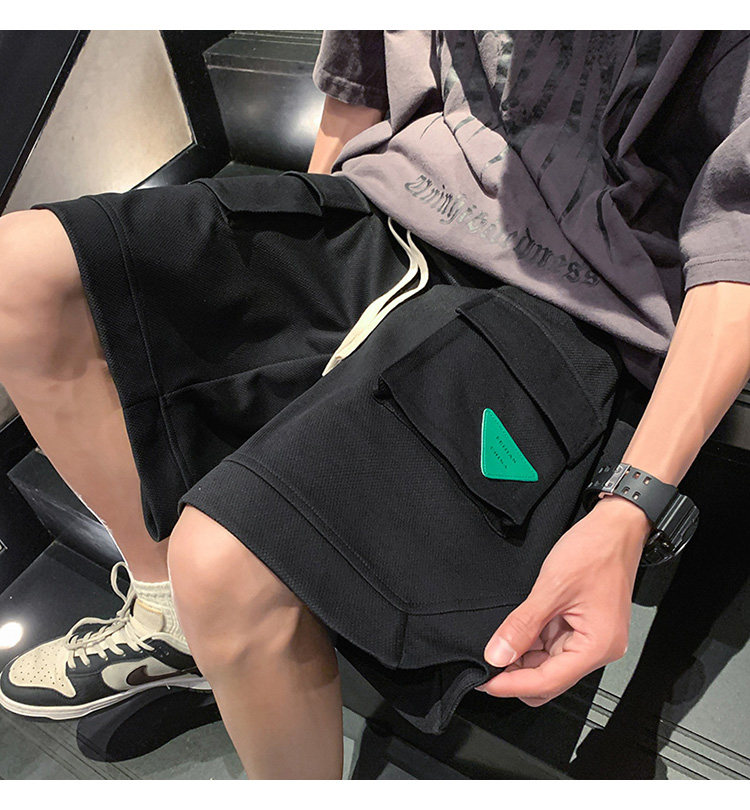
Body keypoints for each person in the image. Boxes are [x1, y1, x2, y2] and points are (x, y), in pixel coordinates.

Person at [0, 30, 748, 779]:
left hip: (577, 289)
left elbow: (736, 246)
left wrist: (631, 509)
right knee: (17, 275)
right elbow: (359, 88)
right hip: (388, 197)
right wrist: (285, 245)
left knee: (223, 560)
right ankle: (171, 610)